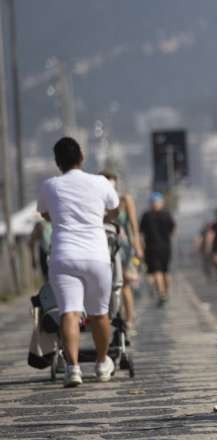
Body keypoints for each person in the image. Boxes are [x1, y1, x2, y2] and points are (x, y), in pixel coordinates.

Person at [37, 136, 120, 387]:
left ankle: (73, 368)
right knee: (99, 315)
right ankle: (102, 363)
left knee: (69, 312)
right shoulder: (100, 182)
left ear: (57, 162)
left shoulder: (50, 186)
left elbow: (44, 214)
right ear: (81, 157)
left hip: (64, 255)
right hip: (96, 255)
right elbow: (114, 208)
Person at [100, 172, 144, 334]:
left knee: (124, 282)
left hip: (123, 246)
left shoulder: (125, 199)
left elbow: (133, 225)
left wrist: (137, 245)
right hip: (102, 245)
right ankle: (110, 316)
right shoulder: (97, 200)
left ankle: (130, 319)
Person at [139, 192, 175, 306]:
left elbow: (140, 233)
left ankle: (161, 293)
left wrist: (141, 247)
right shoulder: (167, 214)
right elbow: (172, 229)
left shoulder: (146, 215)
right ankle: (166, 292)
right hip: (166, 247)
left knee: (156, 271)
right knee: (165, 271)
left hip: (152, 247)